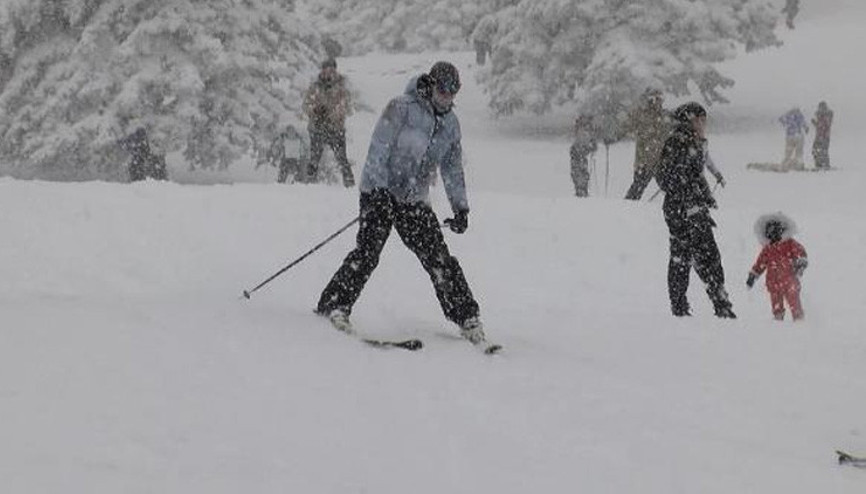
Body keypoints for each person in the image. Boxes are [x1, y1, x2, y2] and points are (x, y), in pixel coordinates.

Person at [314, 61, 490, 346]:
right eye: (443, 89)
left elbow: (452, 168)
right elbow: (378, 149)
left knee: (438, 258)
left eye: (454, 90)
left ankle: (467, 316)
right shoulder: (401, 108)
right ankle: (335, 303)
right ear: (431, 85)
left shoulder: (450, 125)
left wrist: (460, 208)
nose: (448, 96)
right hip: (379, 192)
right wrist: (378, 190)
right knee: (368, 252)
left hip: (413, 199)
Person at [655, 102, 736, 318]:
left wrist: (705, 195)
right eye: (700, 120)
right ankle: (689, 307)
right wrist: (688, 198)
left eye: (704, 121)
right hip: (681, 210)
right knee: (690, 257)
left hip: (692, 209)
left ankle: (715, 304)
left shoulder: (694, 142)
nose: (703, 125)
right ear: (689, 121)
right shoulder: (679, 142)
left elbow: (695, 175)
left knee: (699, 256)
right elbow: (668, 178)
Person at [302, 58, 354, 187]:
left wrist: (331, 115)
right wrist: (315, 111)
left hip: (336, 129)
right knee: (314, 159)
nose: (328, 72)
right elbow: (306, 105)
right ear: (322, 70)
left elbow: (346, 107)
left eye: (331, 69)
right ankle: (309, 185)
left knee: (342, 159)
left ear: (335, 70)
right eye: (326, 69)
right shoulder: (315, 87)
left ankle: (350, 185)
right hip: (317, 128)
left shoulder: (341, 87)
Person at [747, 213, 808, 321]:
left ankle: (799, 320)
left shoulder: (789, 243)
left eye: (775, 230)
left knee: (794, 300)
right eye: (770, 232)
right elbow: (760, 263)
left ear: (781, 230)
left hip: (789, 281)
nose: (772, 234)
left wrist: (800, 263)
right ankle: (778, 321)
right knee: (776, 304)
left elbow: (800, 252)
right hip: (773, 283)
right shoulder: (767, 249)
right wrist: (753, 275)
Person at [624, 88, 673, 200]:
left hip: (660, 161)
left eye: (660, 99)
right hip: (644, 161)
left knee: (670, 187)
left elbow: (670, 132)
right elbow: (628, 126)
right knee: (637, 188)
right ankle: (627, 206)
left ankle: (676, 206)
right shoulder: (641, 114)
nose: (658, 102)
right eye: (656, 99)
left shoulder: (665, 116)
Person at [570, 115, 598, 197]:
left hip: (580, 155)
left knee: (582, 172)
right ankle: (581, 190)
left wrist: (592, 146)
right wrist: (590, 147)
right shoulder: (582, 131)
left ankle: (582, 189)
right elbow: (582, 144)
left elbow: (588, 143)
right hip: (578, 154)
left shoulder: (585, 131)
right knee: (579, 172)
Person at [811, 101, 833, 170]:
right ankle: (819, 164)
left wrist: (816, 123)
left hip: (824, 136)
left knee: (823, 150)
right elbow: (820, 126)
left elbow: (824, 125)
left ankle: (824, 164)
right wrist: (815, 123)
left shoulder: (826, 116)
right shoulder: (822, 116)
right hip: (819, 136)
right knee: (816, 150)